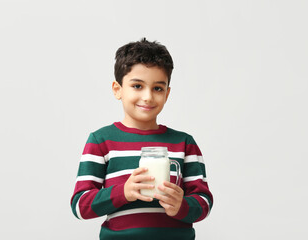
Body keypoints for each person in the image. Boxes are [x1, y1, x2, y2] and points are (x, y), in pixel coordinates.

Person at [70, 38, 213, 240]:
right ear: (117, 89)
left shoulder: (184, 143)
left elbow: (204, 202)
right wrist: (124, 192)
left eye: (157, 88)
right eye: (137, 86)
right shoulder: (101, 141)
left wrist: (182, 206)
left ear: (167, 93)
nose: (148, 97)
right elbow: (80, 205)